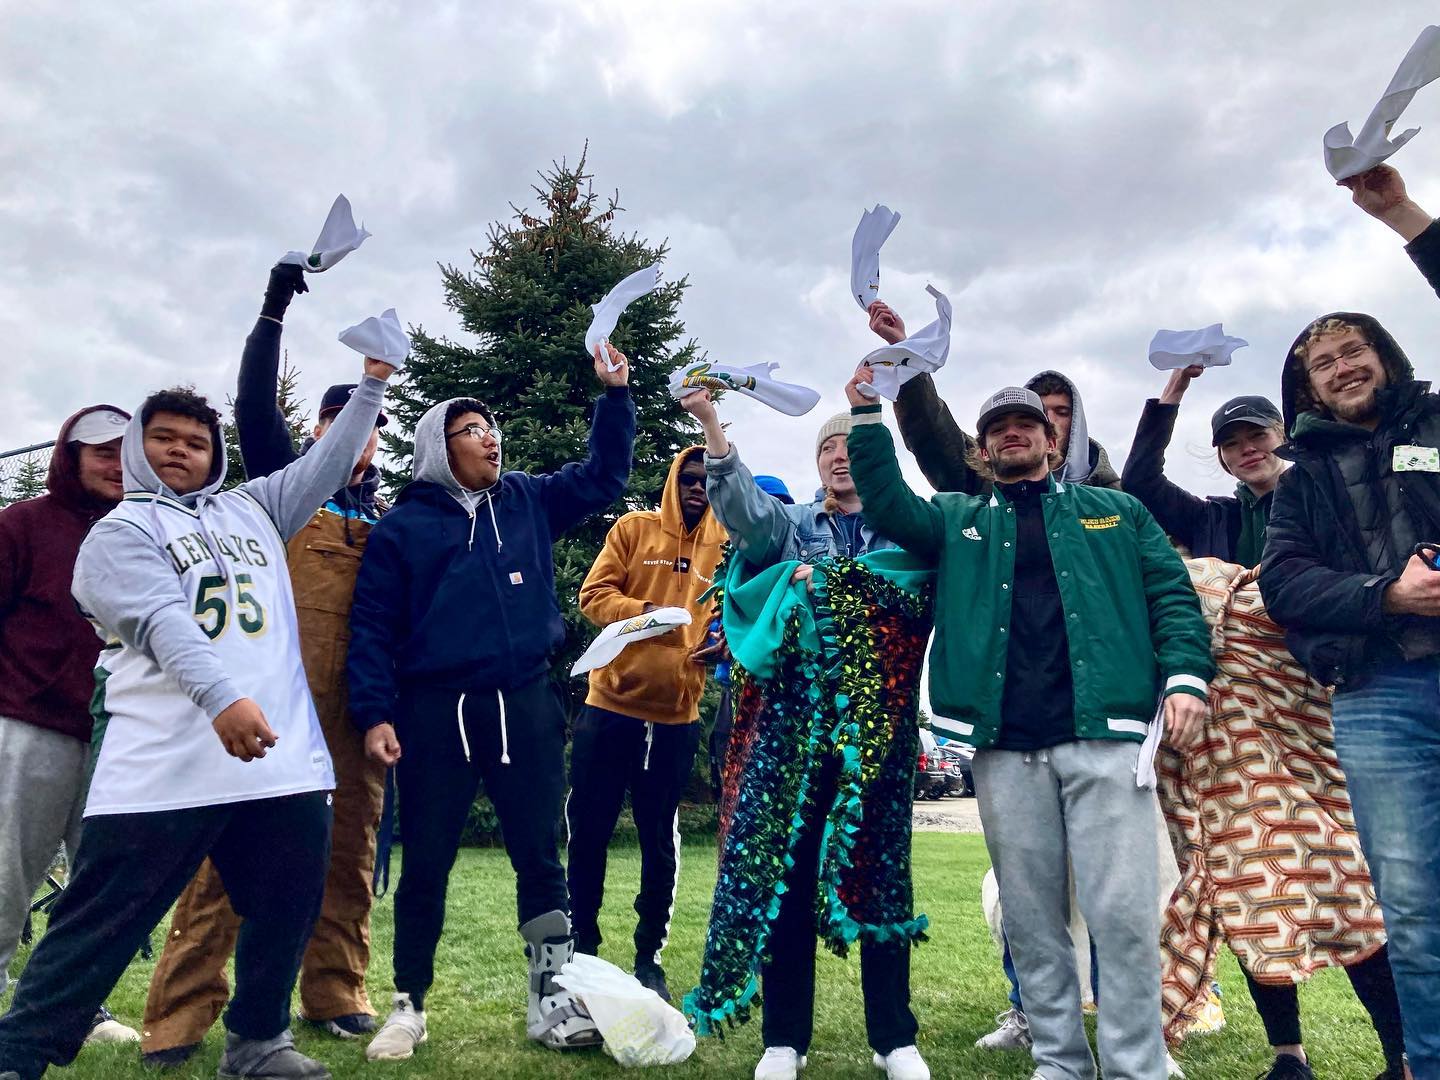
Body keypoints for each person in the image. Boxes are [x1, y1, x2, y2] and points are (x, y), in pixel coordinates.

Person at [0, 344, 396, 1080]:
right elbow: (160, 621)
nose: (181, 452)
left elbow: (324, 464)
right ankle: (18, 1053)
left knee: (286, 905)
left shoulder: (252, 508)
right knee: (98, 923)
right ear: (136, 450)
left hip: (275, 765)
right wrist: (222, 699)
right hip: (164, 768)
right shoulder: (118, 533)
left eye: (196, 442)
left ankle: (257, 1043)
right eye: (164, 439)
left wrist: (372, 382)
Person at [846, 372, 1213, 1080]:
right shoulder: (957, 518)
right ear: (984, 450)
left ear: (1053, 440)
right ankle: (1060, 1062)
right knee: (1032, 920)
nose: (1013, 433)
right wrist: (866, 410)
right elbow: (889, 504)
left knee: (1123, 917)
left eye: (1027, 425)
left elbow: (1171, 594)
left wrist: (1186, 679)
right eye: (998, 428)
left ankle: (1138, 1063)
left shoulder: (1117, 513)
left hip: (1107, 738)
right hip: (1004, 748)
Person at [346, 344, 634, 1060]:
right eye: (473, 429)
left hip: (524, 704)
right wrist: (375, 713)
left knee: (541, 855)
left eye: (492, 427)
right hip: (434, 711)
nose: (491, 437)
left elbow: (604, 476)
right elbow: (373, 628)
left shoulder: (529, 500)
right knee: (430, 860)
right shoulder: (402, 528)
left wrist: (615, 397)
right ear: (438, 449)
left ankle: (552, 1000)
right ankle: (409, 1004)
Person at [1124, 363, 1408, 1077]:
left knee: (1344, 876)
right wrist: (1172, 395)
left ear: (1286, 436)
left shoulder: (1323, 501)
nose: (1249, 449)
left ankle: (1403, 1053)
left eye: (1260, 436)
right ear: (1221, 456)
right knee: (1244, 874)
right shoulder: (1216, 518)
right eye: (1234, 443)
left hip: (1317, 703)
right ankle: (1288, 1053)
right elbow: (1141, 484)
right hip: (1235, 726)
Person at [141, 264, 390, 1067]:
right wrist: (274, 309)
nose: (351, 437)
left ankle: (335, 993)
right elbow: (251, 404)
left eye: (362, 426)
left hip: (352, 710)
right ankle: (179, 1017)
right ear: (321, 433)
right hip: (269, 708)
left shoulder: (389, 520)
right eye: (334, 422)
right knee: (222, 868)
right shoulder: (280, 494)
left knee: (348, 854)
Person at [680, 389, 931, 1080]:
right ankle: (783, 1040)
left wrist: (832, 585)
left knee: (881, 875)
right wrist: (710, 426)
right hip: (788, 736)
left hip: (875, 735)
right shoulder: (790, 526)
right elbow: (745, 516)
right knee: (781, 876)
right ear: (816, 462)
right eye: (828, 447)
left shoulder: (904, 530)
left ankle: (895, 1039)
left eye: (851, 446)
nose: (840, 456)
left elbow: (911, 596)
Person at [1259, 167, 1440, 1080]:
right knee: (1410, 906)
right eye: (1322, 363)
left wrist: (1402, 216)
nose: (1341, 367)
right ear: (1311, 392)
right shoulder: (1302, 479)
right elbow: (1283, 584)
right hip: (1378, 695)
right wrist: (1387, 597)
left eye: (1353, 349)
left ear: (1387, 358)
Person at [566, 445, 726, 1003]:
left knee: (660, 840)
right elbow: (593, 595)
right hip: (608, 709)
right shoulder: (634, 530)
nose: (698, 490)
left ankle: (647, 957)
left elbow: (735, 609)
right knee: (589, 831)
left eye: (707, 482)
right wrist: (644, 616)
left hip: (676, 719)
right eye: (689, 480)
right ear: (673, 481)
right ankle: (581, 947)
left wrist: (722, 636)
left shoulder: (724, 544)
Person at [0, 404, 138, 1047]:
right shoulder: (23, 524)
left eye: (123, 451)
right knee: (9, 870)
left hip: (120, 735)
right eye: (100, 452)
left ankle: (78, 1008)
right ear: (71, 456)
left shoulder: (144, 531)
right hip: (32, 724)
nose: (114, 464)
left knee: (96, 882)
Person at [868, 301, 1121, 496]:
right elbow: (933, 434)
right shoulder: (984, 483)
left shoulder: (1114, 496)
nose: (1050, 419)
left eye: (1062, 412)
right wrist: (906, 354)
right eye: (1040, 413)